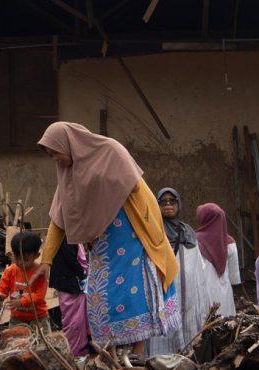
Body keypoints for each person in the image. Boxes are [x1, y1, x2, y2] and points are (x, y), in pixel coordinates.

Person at [33, 122, 179, 356]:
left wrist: (98, 190)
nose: (56, 159)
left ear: (67, 143)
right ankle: (112, 357)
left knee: (135, 294)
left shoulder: (110, 150)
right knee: (101, 300)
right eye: (52, 155)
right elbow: (58, 219)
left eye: (55, 152)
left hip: (131, 235)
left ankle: (136, 356)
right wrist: (46, 260)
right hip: (102, 248)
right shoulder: (68, 175)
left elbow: (135, 188)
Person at [149, 188, 210, 355]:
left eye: (172, 201)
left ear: (178, 204)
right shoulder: (153, 230)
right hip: (164, 289)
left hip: (188, 291)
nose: (168, 205)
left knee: (187, 327)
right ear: (157, 205)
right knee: (166, 325)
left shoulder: (188, 231)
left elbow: (198, 266)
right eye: (163, 202)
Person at [0, 231, 51, 333]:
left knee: (43, 343)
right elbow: (3, 287)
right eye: (17, 258)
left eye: (25, 260)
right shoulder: (10, 271)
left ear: (37, 255)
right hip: (17, 318)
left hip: (38, 318)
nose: (20, 263)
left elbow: (39, 295)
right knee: (15, 342)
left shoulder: (40, 273)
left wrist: (21, 301)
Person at [196, 203, 242, 316]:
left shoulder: (194, 241)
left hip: (202, 293)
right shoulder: (230, 243)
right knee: (226, 326)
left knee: (206, 326)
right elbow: (234, 278)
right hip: (225, 295)